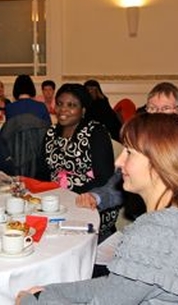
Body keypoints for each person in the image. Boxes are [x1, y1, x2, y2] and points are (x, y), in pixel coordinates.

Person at [16, 113, 178, 305]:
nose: (118, 162)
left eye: (129, 153)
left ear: (160, 164)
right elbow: (117, 287)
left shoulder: (151, 237)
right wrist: (51, 291)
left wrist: (31, 301)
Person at [80, 82, 178, 223]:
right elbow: (115, 187)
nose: (158, 115)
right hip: (139, 220)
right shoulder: (139, 147)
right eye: (152, 109)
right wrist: (95, 197)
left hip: (177, 226)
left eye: (165, 108)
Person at [37, 83, 115, 241]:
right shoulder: (51, 133)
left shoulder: (96, 132)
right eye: (59, 104)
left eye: (71, 105)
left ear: (83, 110)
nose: (63, 110)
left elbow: (104, 178)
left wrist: (69, 197)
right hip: (56, 202)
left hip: (89, 202)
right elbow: (42, 172)